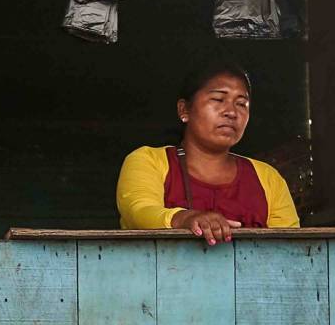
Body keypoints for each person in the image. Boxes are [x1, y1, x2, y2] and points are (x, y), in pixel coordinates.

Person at [116, 60, 299, 244]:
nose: (231, 112)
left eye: (241, 104)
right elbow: (138, 212)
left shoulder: (267, 177)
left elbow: (292, 246)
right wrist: (186, 219)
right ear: (184, 109)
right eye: (218, 100)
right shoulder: (148, 161)